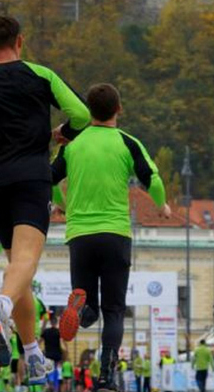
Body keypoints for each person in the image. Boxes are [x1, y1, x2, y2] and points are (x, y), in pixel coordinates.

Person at [0, 15, 89, 384]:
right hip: (30, 176)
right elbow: (82, 113)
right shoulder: (42, 75)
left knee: (17, 267)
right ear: (20, 41)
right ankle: (1, 306)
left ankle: (32, 353)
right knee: (26, 261)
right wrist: (65, 132)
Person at [52, 83, 169, 391]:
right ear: (119, 109)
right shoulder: (127, 143)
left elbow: (47, 178)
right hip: (115, 233)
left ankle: (79, 308)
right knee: (114, 310)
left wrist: (62, 205)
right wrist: (162, 205)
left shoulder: (72, 146)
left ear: (88, 112)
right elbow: (152, 179)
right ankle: (105, 377)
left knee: (88, 301)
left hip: (80, 235)